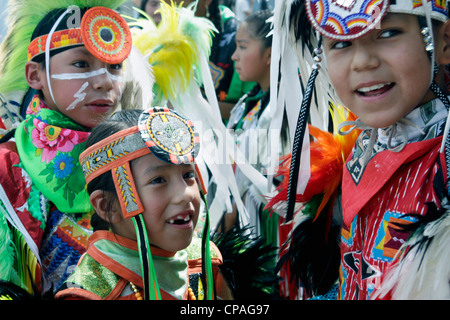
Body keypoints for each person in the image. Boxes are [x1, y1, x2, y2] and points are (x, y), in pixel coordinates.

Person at [272, 0, 450, 300]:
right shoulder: (360, 152)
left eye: (388, 33)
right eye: (341, 43)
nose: (362, 61)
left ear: (444, 42)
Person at [0, 0, 132, 297]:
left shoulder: (136, 154)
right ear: (35, 75)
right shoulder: (7, 168)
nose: (104, 82)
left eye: (115, 66)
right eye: (82, 64)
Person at [55, 108, 233, 300]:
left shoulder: (205, 262)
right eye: (158, 180)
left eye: (188, 175)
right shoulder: (90, 293)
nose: (186, 194)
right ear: (107, 205)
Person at [225, 10, 290, 253]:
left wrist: (236, 207)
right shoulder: (248, 103)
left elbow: (281, 183)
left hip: (269, 237)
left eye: (242, 47)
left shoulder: (286, 110)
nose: (234, 56)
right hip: (238, 226)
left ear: (270, 54)